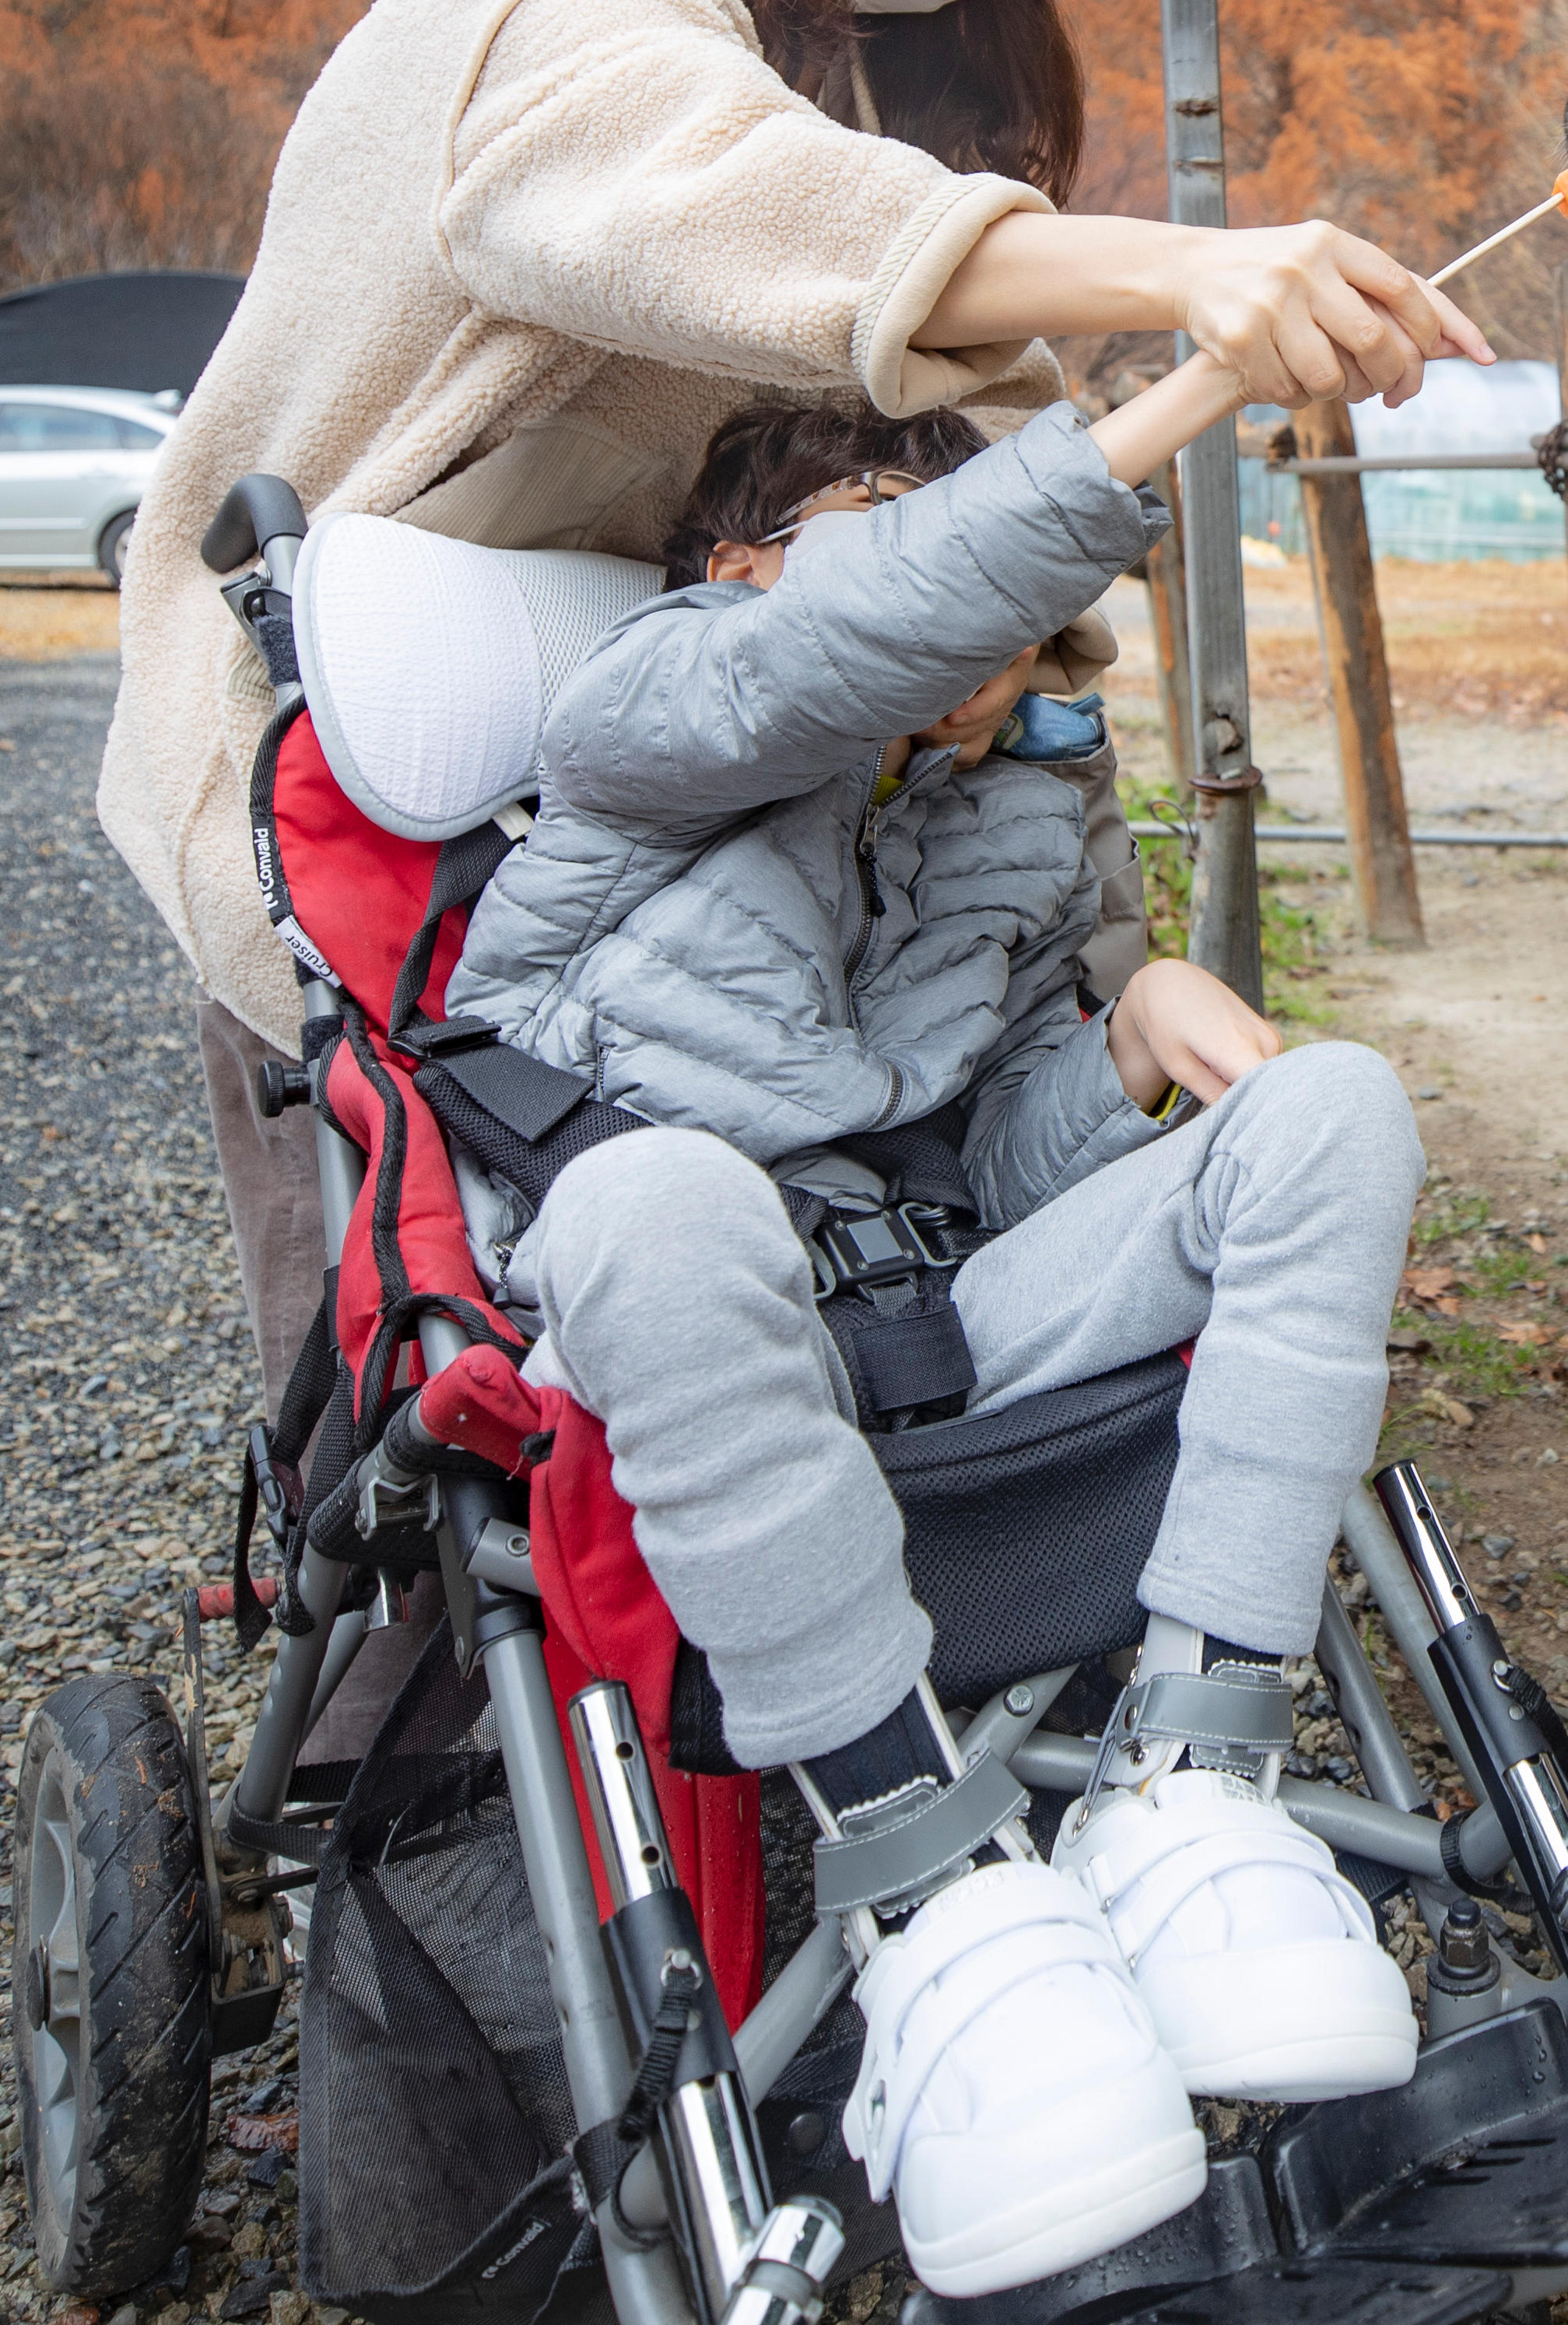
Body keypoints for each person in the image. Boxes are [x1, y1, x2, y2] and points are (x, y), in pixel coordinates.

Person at [102, 0, 1484, 1418]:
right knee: (422, 1370)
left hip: (628, 776)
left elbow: (960, 410)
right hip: (343, 762)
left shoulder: (812, 88)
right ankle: (393, 1696)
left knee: (691, 1335)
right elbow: (740, 210)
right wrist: (1192, 276)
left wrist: (1146, 437)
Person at [438, 359, 1422, 2297]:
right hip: (681, 1314)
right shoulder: (656, 702)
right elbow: (831, 652)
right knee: (653, 1191)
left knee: (1335, 1109)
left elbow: (1006, 1163)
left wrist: (1119, 1039)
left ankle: (1192, 1782)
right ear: (730, 565)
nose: (950, 609)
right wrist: (1185, 380)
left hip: (943, 1300)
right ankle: (925, 1885)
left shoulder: (1027, 795)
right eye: (880, 542)